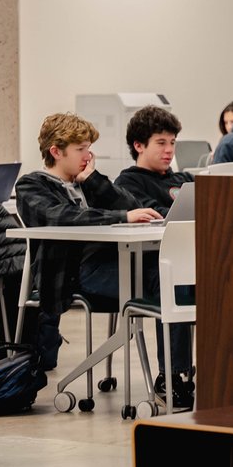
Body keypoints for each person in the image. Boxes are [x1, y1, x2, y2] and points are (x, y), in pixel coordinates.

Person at [14, 113, 161, 369]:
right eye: (80, 149)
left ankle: (175, 374)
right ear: (56, 152)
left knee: (170, 276)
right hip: (71, 274)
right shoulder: (32, 184)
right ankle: (171, 379)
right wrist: (122, 217)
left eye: (88, 149)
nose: (87, 156)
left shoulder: (87, 183)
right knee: (165, 283)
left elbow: (132, 206)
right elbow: (61, 216)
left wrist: (94, 180)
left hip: (106, 265)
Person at [114, 105, 195, 408]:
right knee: (173, 282)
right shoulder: (127, 182)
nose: (169, 150)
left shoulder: (184, 179)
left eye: (173, 143)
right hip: (147, 266)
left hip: (186, 260)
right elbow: (153, 215)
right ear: (139, 145)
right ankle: (174, 376)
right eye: (161, 143)